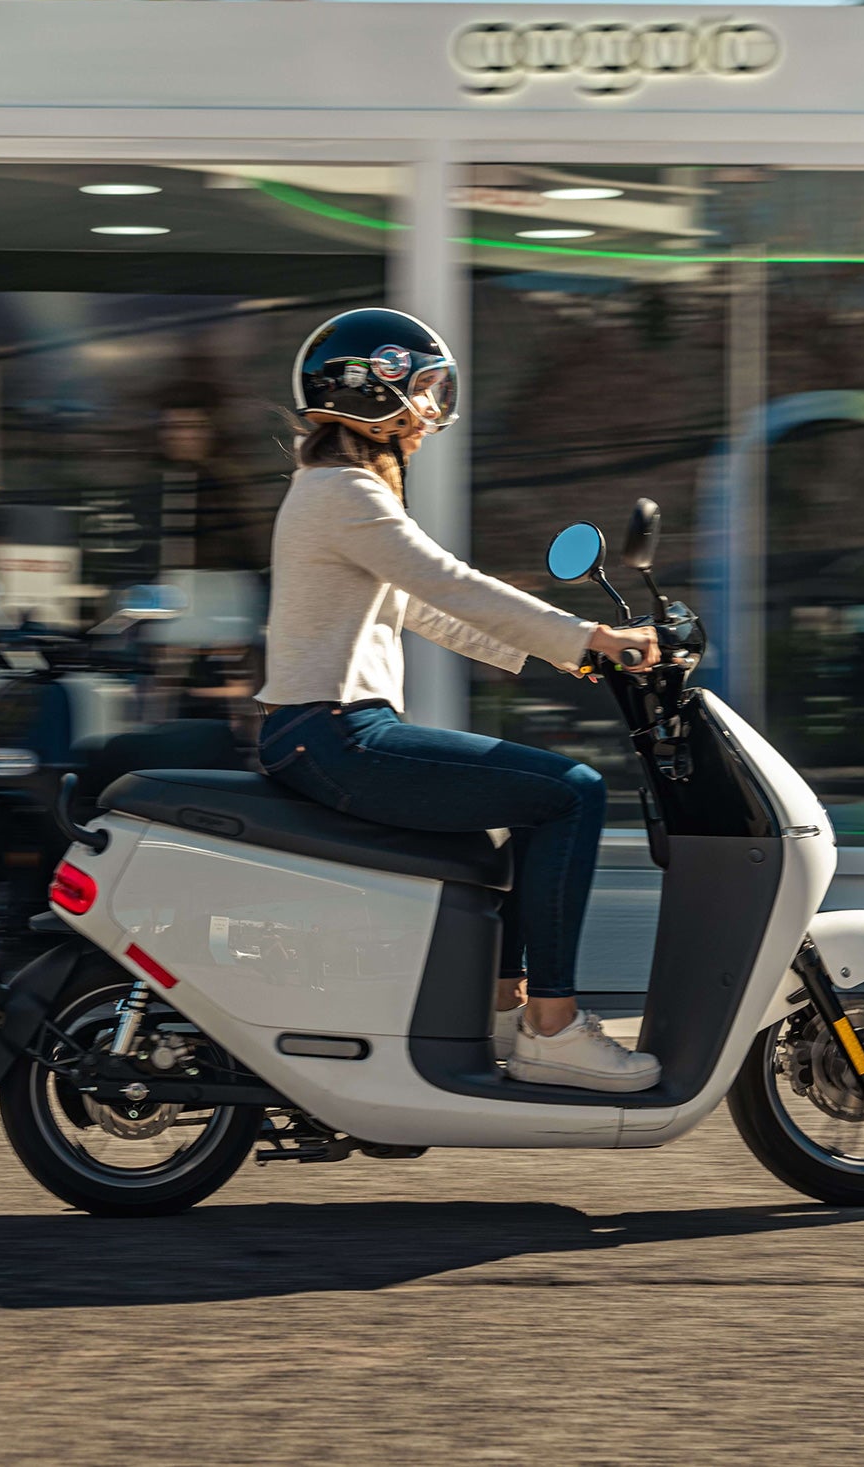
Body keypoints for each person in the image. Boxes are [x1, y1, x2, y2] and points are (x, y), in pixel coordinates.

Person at [254, 307, 661, 1091]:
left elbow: (422, 607)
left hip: (323, 731)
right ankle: (553, 1026)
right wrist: (594, 636)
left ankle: (505, 1007)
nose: (431, 412)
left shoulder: (331, 490)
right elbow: (451, 583)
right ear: (375, 391)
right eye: (424, 391)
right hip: (340, 732)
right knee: (573, 791)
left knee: (524, 818)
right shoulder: (345, 491)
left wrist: (574, 656)